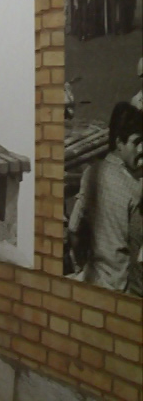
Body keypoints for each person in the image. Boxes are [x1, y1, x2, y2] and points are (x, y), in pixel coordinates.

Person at [68, 102, 142, 295]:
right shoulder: (135, 189)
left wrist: (81, 266)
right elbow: (136, 257)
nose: (141, 149)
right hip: (120, 289)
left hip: (92, 281)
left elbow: (74, 230)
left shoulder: (90, 174)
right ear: (119, 143)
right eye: (136, 142)